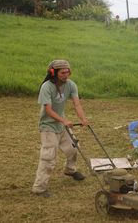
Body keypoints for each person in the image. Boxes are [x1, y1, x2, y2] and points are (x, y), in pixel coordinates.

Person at [32, 60, 88, 198]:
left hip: (61, 124)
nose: (66, 75)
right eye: (63, 72)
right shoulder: (46, 87)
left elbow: (77, 105)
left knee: (74, 147)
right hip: (48, 125)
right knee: (49, 156)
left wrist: (83, 119)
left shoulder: (71, 85)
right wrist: (64, 120)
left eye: (68, 72)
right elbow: (49, 110)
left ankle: (70, 170)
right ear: (53, 72)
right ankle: (39, 188)